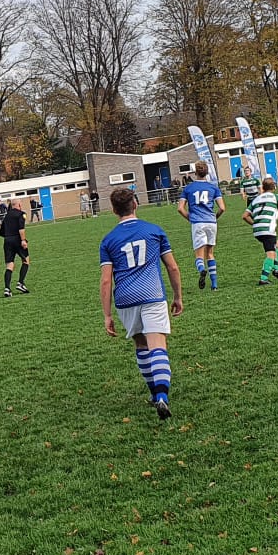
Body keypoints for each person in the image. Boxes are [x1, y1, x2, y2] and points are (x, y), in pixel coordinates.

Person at [98, 186, 183, 421]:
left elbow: (106, 281)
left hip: (125, 298)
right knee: (158, 344)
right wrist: (177, 296)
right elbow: (172, 267)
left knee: (141, 345)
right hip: (153, 293)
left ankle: (155, 396)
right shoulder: (154, 230)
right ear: (135, 204)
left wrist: (107, 315)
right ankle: (162, 396)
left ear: (114, 210)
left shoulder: (108, 240)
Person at [177, 160, 222, 291]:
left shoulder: (188, 188)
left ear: (195, 172)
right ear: (207, 172)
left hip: (198, 222)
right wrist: (215, 217)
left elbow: (180, 208)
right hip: (211, 222)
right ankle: (214, 285)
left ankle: (202, 270)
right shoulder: (213, 187)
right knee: (210, 254)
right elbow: (222, 208)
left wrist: (189, 218)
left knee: (199, 255)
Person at [244, 175, 278, 284]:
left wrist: (255, 224)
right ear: (274, 187)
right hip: (268, 229)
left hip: (257, 230)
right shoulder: (277, 197)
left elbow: (245, 216)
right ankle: (263, 279)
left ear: (262, 187)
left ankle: (276, 269)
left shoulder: (256, 199)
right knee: (270, 254)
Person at [0, 199, 30, 295]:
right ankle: (20, 283)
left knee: (9, 265)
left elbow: (1, 232)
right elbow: (21, 229)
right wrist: (23, 240)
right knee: (26, 260)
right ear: (19, 205)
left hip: (7, 241)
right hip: (17, 240)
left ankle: (7, 289)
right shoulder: (21, 214)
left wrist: (9, 237)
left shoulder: (6, 216)